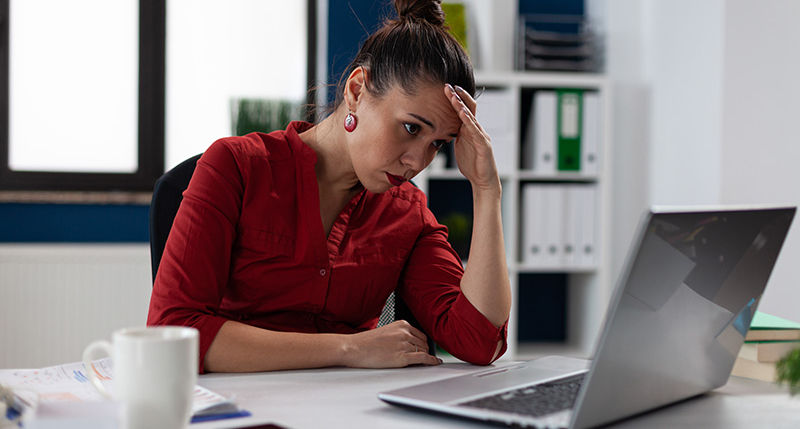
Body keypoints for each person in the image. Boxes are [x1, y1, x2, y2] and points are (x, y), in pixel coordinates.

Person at [147, 0, 511, 373]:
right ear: (356, 91)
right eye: (411, 128)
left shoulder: (408, 212)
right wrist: (349, 349)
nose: (417, 162)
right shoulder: (236, 168)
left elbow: (480, 341)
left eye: (438, 143)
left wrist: (486, 191)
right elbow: (173, 332)